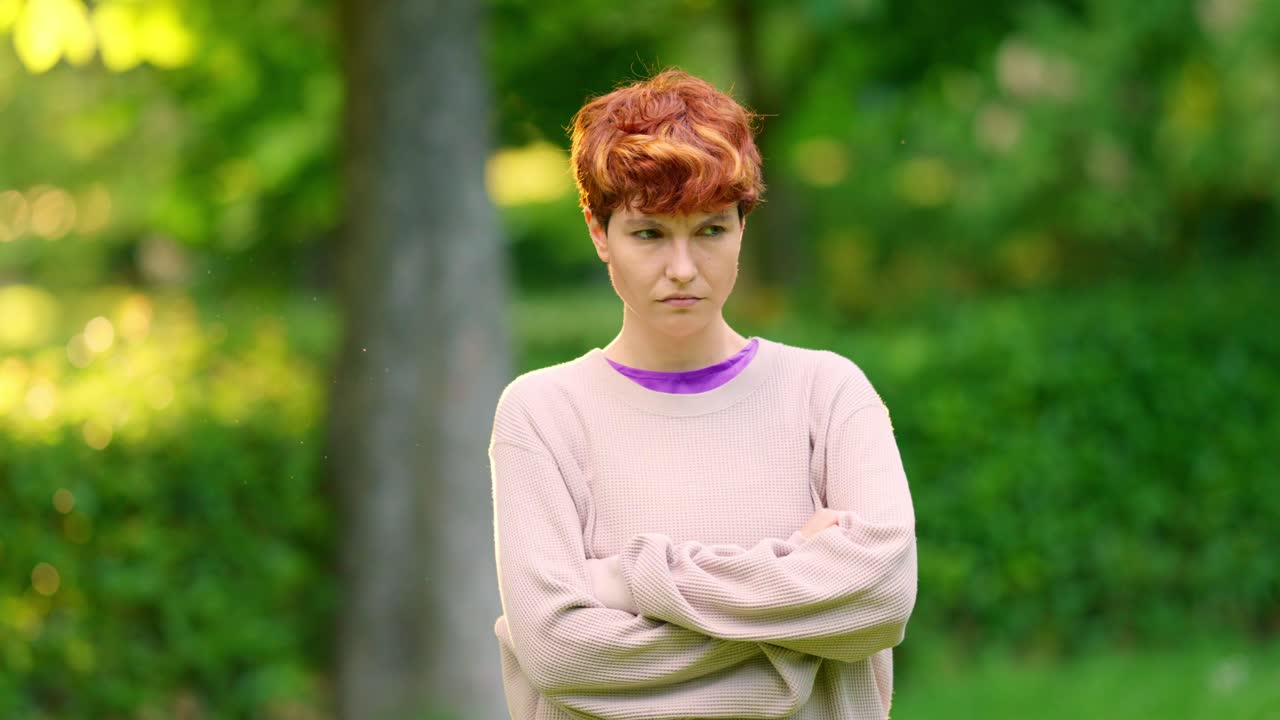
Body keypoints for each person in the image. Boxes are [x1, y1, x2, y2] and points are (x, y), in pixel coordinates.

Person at [489, 68, 917, 720]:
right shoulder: (544, 414)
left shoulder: (826, 394)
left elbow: (882, 600)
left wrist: (630, 581)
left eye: (711, 230)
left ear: (744, 226)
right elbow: (562, 655)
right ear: (599, 233)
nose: (683, 269)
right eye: (650, 234)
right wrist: (803, 632)